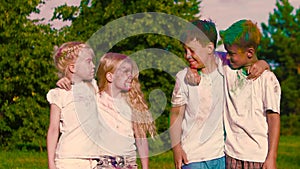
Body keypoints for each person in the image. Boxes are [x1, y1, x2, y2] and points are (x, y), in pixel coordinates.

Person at [169, 20, 269, 169]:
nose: (187, 55)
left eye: (192, 50)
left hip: (221, 155)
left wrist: (263, 63)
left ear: (210, 48)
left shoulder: (225, 64)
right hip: (192, 157)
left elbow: (245, 58)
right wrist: (176, 148)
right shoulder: (183, 78)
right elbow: (176, 115)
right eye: (185, 50)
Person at [56, 52, 156, 169]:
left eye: (130, 72)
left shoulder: (132, 103)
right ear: (110, 77)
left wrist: (145, 167)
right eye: (125, 71)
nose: (130, 75)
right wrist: (66, 80)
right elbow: (77, 85)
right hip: (103, 163)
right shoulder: (95, 98)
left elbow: (141, 139)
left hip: (128, 162)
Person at [219, 19, 281, 169]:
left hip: (257, 156)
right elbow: (205, 54)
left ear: (250, 52)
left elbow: (273, 119)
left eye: (231, 53)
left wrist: (271, 156)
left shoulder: (267, 79)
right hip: (231, 154)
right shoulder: (228, 70)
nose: (227, 57)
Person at [46, 41, 99, 169]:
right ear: (73, 67)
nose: (93, 66)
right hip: (69, 160)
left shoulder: (94, 88)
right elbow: (53, 129)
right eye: (88, 62)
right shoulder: (59, 94)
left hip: (94, 161)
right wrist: (51, 163)